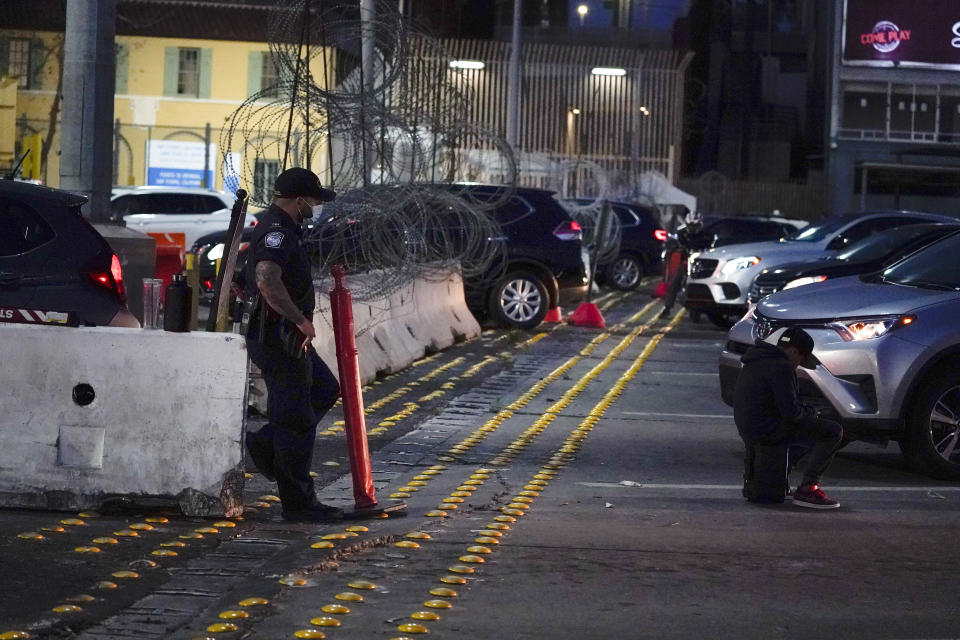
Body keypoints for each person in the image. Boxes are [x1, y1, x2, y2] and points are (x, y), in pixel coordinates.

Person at [243, 167, 343, 522]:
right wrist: (299, 319)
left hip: (284, 337)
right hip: (279, 337)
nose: (315, 207)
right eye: (313, 201)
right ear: (299, 200)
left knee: (324, 389)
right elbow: (267, 280)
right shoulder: (277, 233)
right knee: (295, 420)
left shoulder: (283, 229)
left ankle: (266, 443)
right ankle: (299, 503)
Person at [734, 327, 843, 509]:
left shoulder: (758, 360)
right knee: (833, 431)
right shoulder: (782, 366)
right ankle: (808, 489)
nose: (798, 365)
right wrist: (811, 413)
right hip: (766, 429)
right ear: (793, 351)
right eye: (801, 359)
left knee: (807, 431)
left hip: (750, 426)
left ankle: (780, 479)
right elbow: (790, 411)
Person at [662, 211, 712, 315]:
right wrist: (676, 248)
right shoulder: (681, 233)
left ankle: (704, 308)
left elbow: (712, 246)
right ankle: (667, 307)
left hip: (703, 263)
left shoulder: (707, 234)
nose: (693, 228)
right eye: (691, 225)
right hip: (687, 261)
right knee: (675, 280)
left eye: (695, 225)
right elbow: (674, 244)